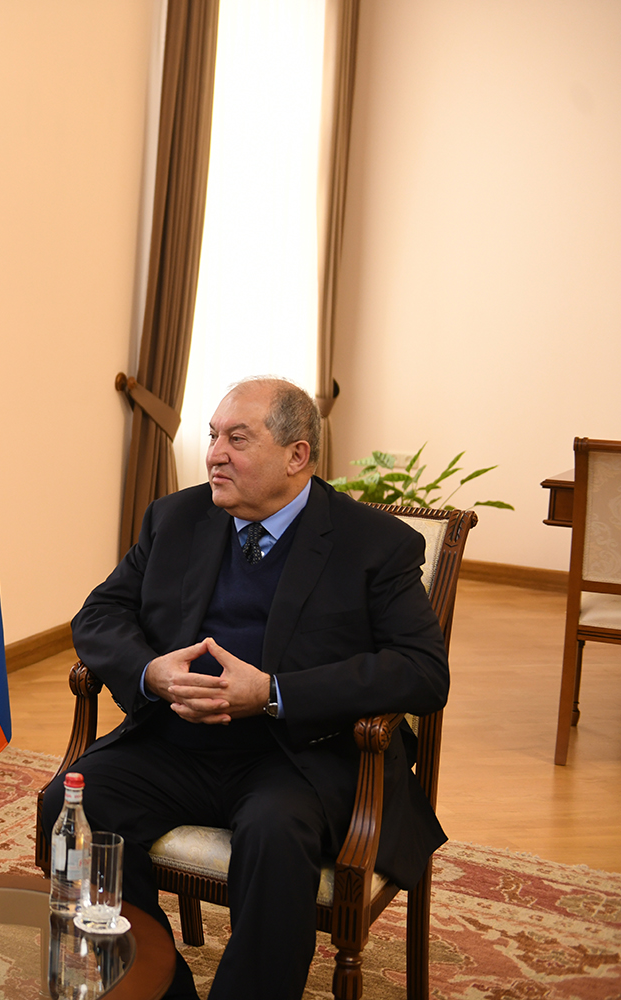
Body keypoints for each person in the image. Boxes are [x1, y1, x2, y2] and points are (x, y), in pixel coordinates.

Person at [40, 377, 449, 1000]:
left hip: (297, 757)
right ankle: (155, 988)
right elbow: (99, 614)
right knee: (71, 808)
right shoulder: (176, 518)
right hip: (175, 743)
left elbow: (422, 669)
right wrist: (152, 672)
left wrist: (274, 691)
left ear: (297, 455)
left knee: (275, 837)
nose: (214, 455)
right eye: (212, 437)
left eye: (238, 439)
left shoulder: (373, 543)